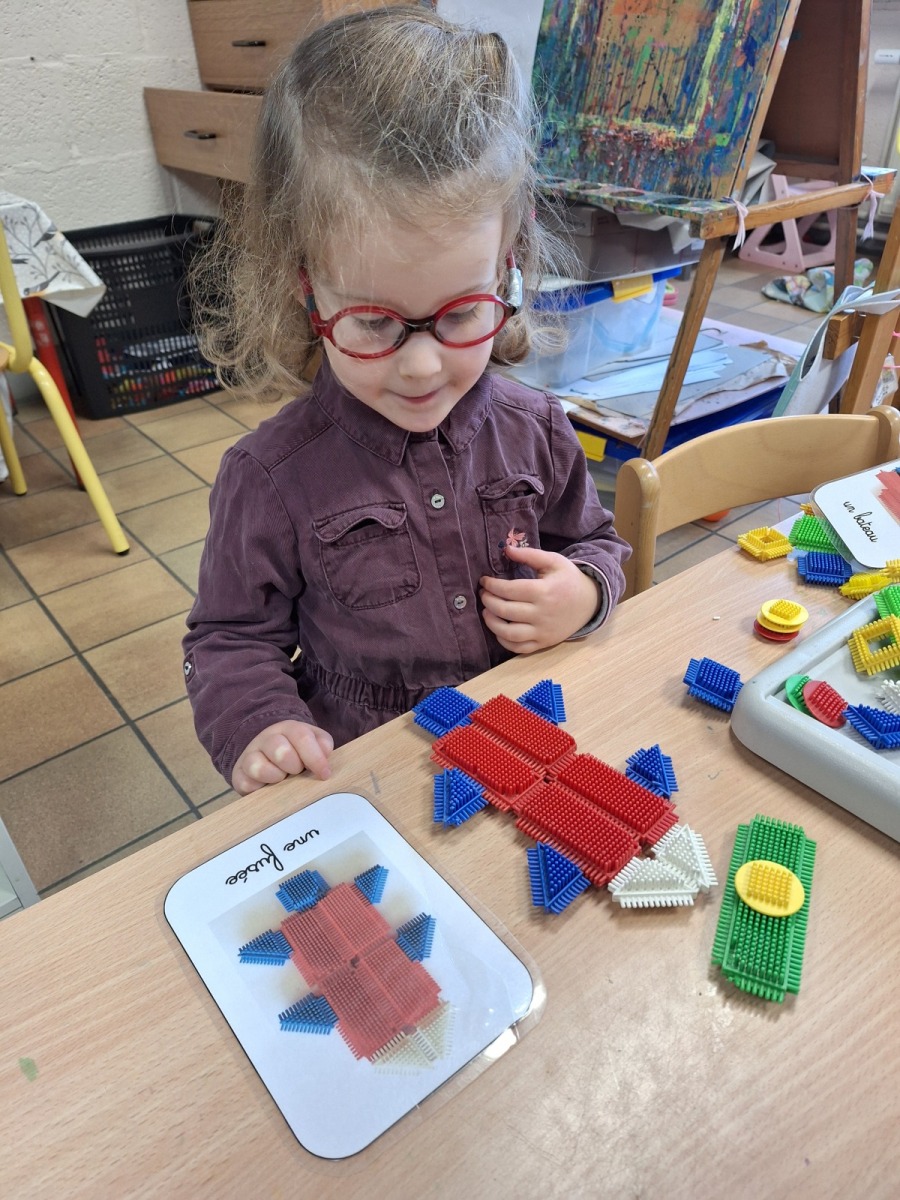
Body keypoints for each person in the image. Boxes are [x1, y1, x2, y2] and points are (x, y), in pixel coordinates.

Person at [183, 5, 630, 796]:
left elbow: (595, 541)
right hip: (372, 781)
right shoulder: (268, 477)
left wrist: (586, 592)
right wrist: (261, 724)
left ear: (509, 264)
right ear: (306, 288)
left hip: (528, 746)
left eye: (460, 314)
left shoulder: (537, 428)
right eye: (372, 322)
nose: (421, 367)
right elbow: (229, 639)